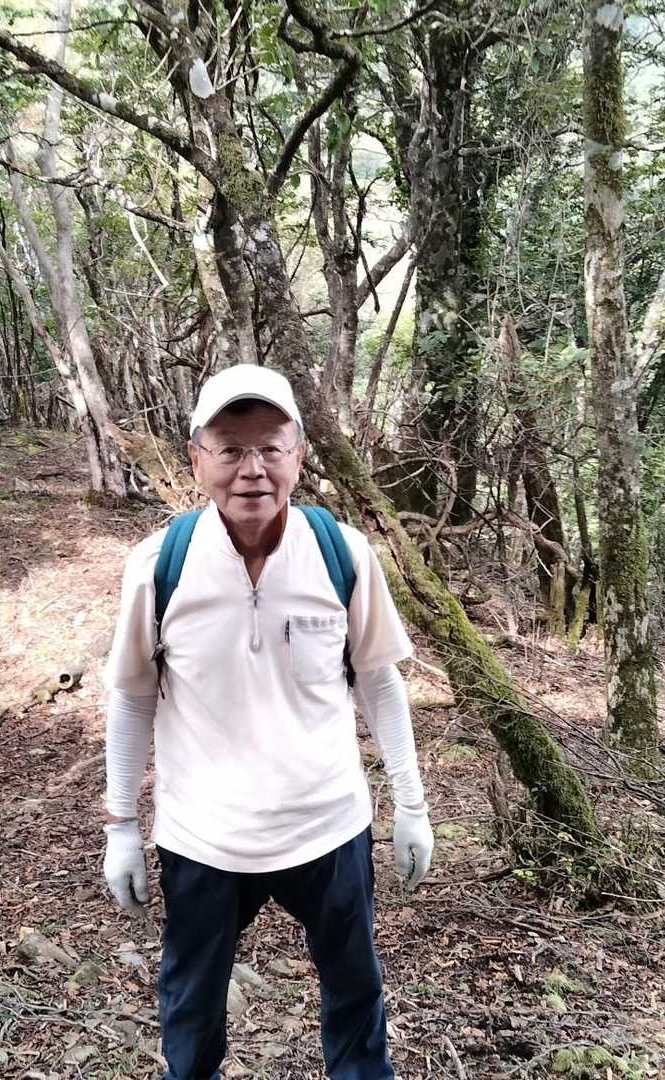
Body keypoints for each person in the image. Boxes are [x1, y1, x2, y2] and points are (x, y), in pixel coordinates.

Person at [99, 365, 434, 1080]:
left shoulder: (342, 553)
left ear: (299, 455)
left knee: (355, 994)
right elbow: (131, 695)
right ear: (197, 460)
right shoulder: (159, 565)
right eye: (229, 449)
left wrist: (411, 804)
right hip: (204, 837)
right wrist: (120, 824)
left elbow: (378, 681)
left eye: (270, 448)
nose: (252, 469)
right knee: (191, 1009)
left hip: (328, 826)